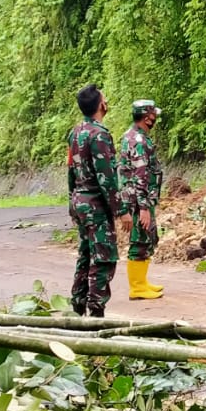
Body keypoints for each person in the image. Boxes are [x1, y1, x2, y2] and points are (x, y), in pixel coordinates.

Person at [67, 84, 126, 315]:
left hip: (80, 201)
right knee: (103, 257)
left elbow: (71, 171)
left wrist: (71, 202)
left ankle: (78, 304)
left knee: (85, 254)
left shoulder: (75, 133)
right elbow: (107, 178)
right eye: (105, 98)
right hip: (96, 205)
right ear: (101, 105)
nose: (107, 101)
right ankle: (96, 311)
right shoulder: (99, 134)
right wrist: (120, 210)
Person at [119, 99, 164, 300]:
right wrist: (144, 207)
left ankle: (142, 282)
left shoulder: (131, 136)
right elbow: (140, 174)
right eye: (153, 115)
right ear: (147, 118)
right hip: (138, 201)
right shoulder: (138, 141)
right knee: (140, 240)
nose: (155, 119)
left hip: (137, 198)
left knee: (146, 240)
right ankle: (137, 287)